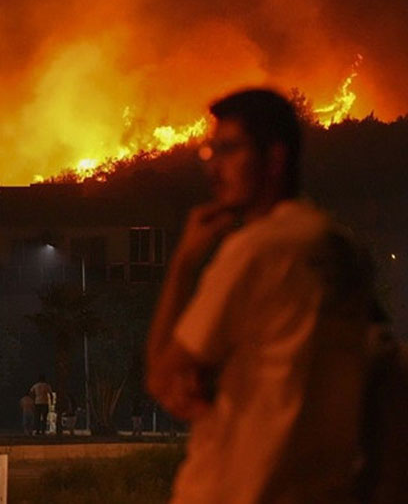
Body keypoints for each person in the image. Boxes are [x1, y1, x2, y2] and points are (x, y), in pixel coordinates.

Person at [146, 88, 378, 503]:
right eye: (210, 152)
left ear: (274, 158)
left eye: (230, 150)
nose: (215, 168)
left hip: (235, 489)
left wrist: (182, 264)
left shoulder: (256, 249)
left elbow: (162, 376)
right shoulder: (341, 248)